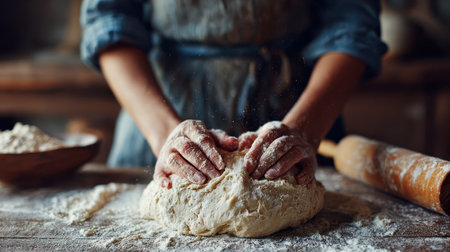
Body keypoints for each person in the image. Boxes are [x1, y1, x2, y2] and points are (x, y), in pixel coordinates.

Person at [80, 0, 387, 188]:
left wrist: (304, 129)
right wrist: (166, 136)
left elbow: (352, 24)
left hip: (301, 110)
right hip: (158, 114)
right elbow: (108, 19)